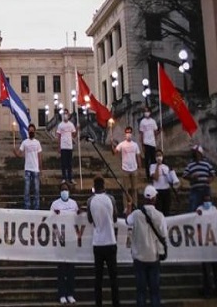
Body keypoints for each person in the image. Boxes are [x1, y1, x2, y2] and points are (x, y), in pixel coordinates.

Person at [125, 185, 167, 307]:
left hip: (139, 256)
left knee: (141, 291)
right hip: (153, 256)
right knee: (154, 291)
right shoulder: (159, 215)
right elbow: (164, 234)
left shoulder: (136, 214)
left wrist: (129, 205)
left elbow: (128, 220)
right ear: (154, 199)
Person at [87, 176, 120, 307]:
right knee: (113, 278)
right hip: (110, 240)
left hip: (98, 242)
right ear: (104, 186)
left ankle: (98, 303)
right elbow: (115, 218)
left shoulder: (90, 201)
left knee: (98, 278)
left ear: (94, 187)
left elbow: (90, 220)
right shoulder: (110, 199)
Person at [50, 182, 78, 305]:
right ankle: (62, 294)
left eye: (66, 189)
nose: (64, 191)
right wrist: (57, 234)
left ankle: (70, 294)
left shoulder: (73, 204)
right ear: (60, 191)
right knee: (61, 269)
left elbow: (78, 220)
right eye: (62, 189)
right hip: (60, 240)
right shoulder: (55, 204)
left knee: (71, 269)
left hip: (71, 239)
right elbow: (51, 220)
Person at [196, 194, 217, 299]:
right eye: (205, 200)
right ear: (202, 201)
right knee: (206, 270)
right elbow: (196, 223)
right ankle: (208, 290)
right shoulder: (199, 209)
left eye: (208, 200)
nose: (207, 202)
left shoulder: (215, 210)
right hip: (205, 244)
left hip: (215, 243)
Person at [13, 124, 43, 210]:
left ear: (35, 131)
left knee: (36, 190)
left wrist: (41, 168)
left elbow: (40, 156)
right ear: (28, 132)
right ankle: (27, 206)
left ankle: (36, 207)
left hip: (36, 169)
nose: (31, 132)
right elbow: (19, 153)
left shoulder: (37, 143)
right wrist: (15, 152)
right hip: (27, 169)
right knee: (27, 190)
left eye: (32, 130)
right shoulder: (25, 142)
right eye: (30, 130)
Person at [112, 126, 141, 207]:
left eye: (130, 132)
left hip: (134, 168)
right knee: (125, 189)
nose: (128, 134)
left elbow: (138, 155)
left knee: (134, 188)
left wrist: (139, 166)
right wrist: (112, 145)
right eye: (127, 132)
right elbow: (115, 152)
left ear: (132, 134)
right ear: (125, 134)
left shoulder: (135, 145)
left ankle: (135, 204)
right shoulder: (122, 144)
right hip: (125, 168)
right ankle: (125, 206)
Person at [182, 145, 215, 211]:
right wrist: (191, 177)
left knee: (208, 207)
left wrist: (210, 179)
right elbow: (184, 175)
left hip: (205, 188)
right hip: (195, 189)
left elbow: (212, 174)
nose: (194, 154)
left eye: (196, 152)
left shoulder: (207, 164)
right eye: (194, 153)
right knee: (194, 207)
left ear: (200, 153)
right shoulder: (190, 165)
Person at [149, 149, 178, 216]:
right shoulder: (152, 166)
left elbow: (170, 180)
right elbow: (155, 178)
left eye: (160, 155)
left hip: (166, 190)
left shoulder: (166, 167)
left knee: (166, 209)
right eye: (157, 155)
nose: (159, 157)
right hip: (157, 190)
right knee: (158, 209)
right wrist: (158, 166)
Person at [56, 109, 77, 185]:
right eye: (64, 114)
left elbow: (74, 134)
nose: (65, 115)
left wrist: (77, 129)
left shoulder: (71, 124)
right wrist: (58, 146)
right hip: (63, 146)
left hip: (69, 146)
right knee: (63, 163)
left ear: (68, 115)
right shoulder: (60, 125)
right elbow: (58, 136)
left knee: (69, 163)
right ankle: (64, 178)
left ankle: (70, 178)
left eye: (66, 114)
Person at [139, 107, 160, 181]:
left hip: (152, 143)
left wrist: (159, 131)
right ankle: (148, 176)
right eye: (145, 111)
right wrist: (142, 145)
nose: (146, 112)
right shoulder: (142, 122)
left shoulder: (153, 121)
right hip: (146, 143)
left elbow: (155, 132)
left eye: (147, 111)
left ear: (150, 112)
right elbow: (141, 134)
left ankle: (153, 174)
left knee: (153, 160)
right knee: (147, 160)